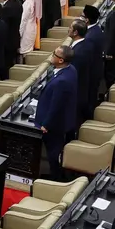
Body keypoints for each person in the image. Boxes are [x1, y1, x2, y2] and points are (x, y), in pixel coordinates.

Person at [32, 44, 78, 180]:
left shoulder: (62, 81)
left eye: (54, 55)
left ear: (61, 60)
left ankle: (55, 178)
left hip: (55, 124)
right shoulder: (71, 69)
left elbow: (56, 106)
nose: (52, 56)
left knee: (53, 152)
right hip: (62, 119)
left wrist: (46, 124)